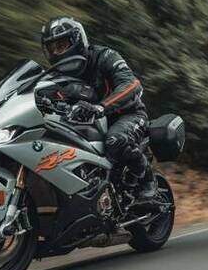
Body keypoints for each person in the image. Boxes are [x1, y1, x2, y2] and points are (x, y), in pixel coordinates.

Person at [40, 16, 156, 201]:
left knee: (114, 140)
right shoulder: (56, 74)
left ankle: (147, 178)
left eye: (61, 45)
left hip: (127, 115)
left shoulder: (105, 56)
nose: (56, 52)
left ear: (77, 40)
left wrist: (101, 107)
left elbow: (132, 85)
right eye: (51, 48)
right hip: (88, 122)